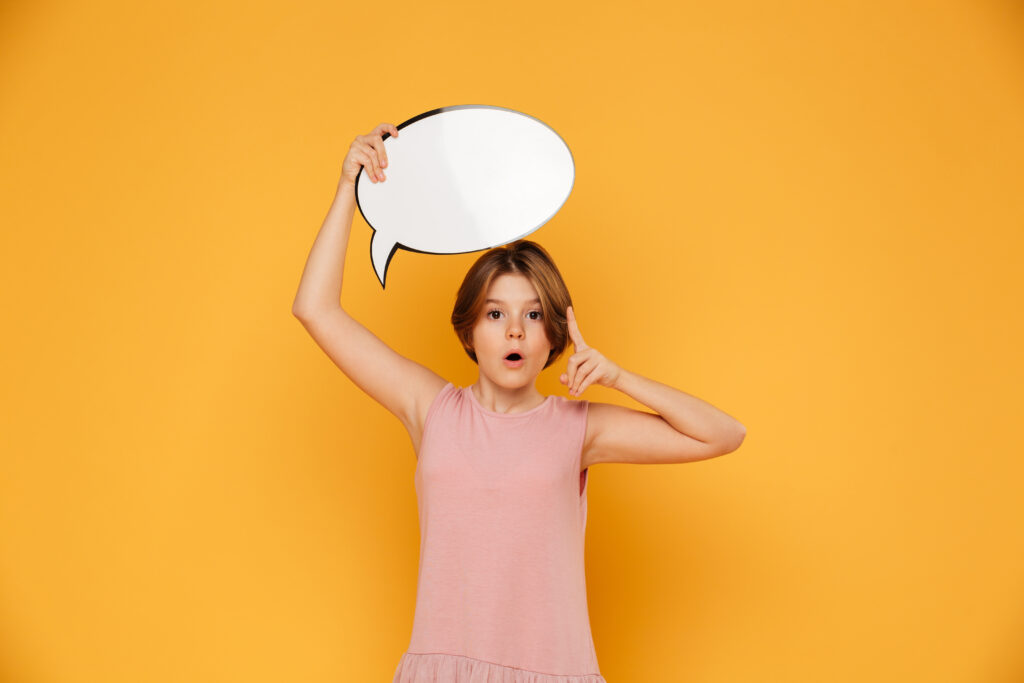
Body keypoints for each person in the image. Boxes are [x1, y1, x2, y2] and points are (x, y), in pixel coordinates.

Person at [292, 122, 747, 682]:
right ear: (468, 331)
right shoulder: (433, 409)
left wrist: (621, 377)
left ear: (552, 336)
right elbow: (315, 309)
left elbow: (724, 434)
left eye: (533, 315)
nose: (514, 332)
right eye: (495, 313)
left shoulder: (577, 428)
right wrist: (347, 188)